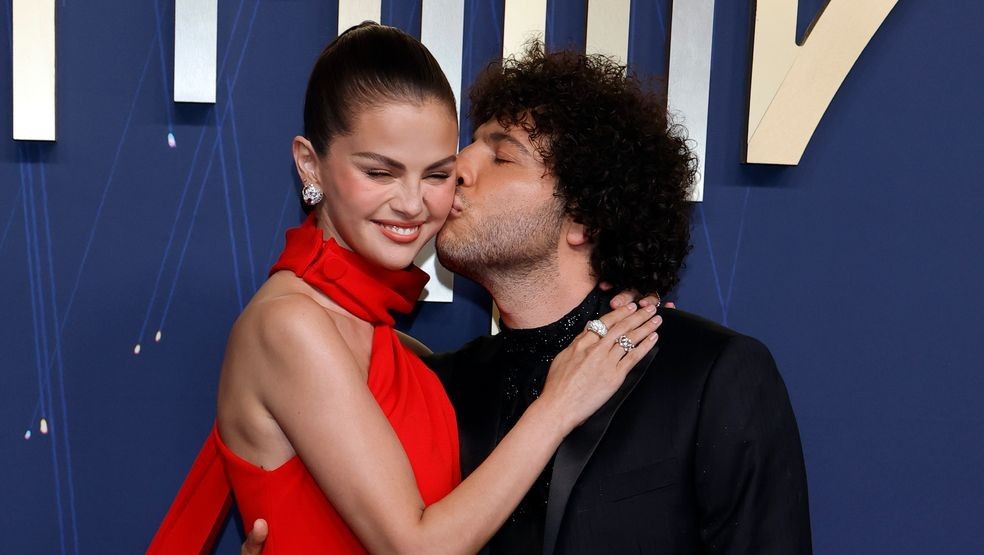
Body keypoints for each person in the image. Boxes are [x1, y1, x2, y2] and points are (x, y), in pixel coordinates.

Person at [243, 42, 813, 554]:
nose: (457, 169)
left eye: (501, 154)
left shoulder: (710, 377)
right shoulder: (438, 386)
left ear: (585, 216)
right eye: (466, 148)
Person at [148, 24, 662, 554]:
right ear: (310, 163)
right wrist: (558, 406)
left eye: (437, 175)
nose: (413, 204)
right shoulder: (291, 325)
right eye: (380, 172)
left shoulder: (398, 350)